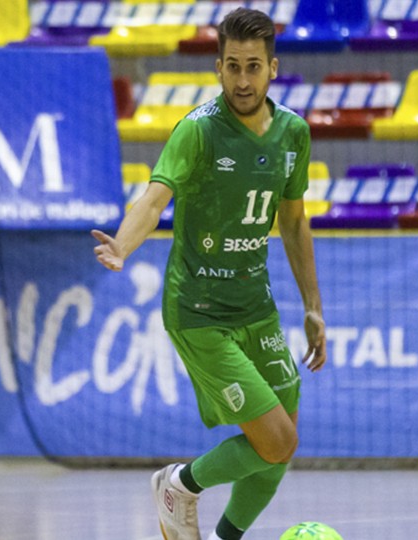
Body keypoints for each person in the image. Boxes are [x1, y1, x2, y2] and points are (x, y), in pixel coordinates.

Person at [91, 8, 326, 540]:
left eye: (254, 67)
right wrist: (123, 246)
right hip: (198, 312)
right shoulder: (197, 131)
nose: (243, 80)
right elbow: (154, 201)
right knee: (275, 441)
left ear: (272, 68)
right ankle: (180, 483)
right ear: (218, 68)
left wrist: (313, 306)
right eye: (233, 67)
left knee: (281, 446)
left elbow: (293, 222)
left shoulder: (293, 133)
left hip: (256, 307)